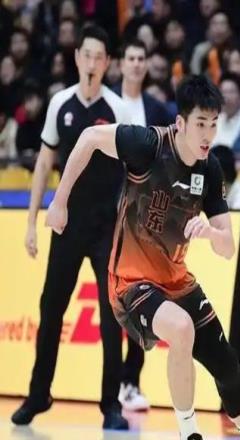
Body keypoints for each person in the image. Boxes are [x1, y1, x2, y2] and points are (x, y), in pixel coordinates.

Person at [46, 75, 240, 440]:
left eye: (213, 125)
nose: (208, 135)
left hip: (176, 280)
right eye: (200, 124)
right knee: (181, 328)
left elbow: (227, 247)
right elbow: (89, 138)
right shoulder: (147, 145)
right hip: (130, 282)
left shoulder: (210, 169)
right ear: (180, 123)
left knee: (227, 364)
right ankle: (189, 433)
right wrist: (59, 200)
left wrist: (210, 233)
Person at [11, 25, 129, 430]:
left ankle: (111, 405)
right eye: (87, 55)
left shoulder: (119, 109)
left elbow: (137, 172)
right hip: (66, 222)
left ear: (107, 63)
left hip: (107, 226)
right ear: (77, 57)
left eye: (100, 57)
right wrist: (31, 222)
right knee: (50, 308)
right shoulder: (60, 103)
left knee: (111, 316)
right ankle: (38, 394)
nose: (92, 63)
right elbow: (44, 163)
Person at [114, 38, 173, 412]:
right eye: (131, 58)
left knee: (142, 294)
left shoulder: (157, 109)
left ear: (147, 65)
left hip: (146, 213)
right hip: (110, 208)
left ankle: (130, 381)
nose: (136, 64)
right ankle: (113, 382)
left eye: (141, 58)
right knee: (113, 296)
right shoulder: (108, 103)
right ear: (121, 64)